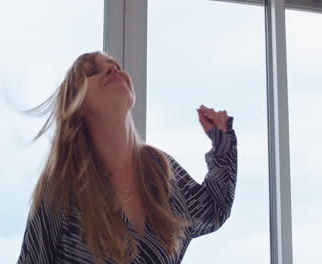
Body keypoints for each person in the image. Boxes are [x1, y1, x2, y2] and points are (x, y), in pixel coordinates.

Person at [16, 51, 238, 264]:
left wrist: (223, 141)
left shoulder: (161, 170)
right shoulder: (63, 187)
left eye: (116, 66)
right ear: (76, 104)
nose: (112, 69)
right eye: (92, 71)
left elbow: (214, 208)